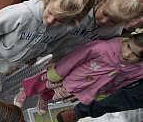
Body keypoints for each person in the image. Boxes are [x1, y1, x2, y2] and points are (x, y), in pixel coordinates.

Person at [15, 30, 143, 117]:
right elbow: (77, 56)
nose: (127, 54)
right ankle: (25, 91)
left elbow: (122, 83)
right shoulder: (103, 48)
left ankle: (45, 97)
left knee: (59, 93)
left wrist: (103, 93)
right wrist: (58, 71)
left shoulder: (138, 71)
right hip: (69, 74)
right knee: (44, 82)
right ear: (127, 39)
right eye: (128, 46)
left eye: (135, 55)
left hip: (84, 86)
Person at [47, 0, 143, 58]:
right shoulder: (80, 7)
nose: (104, 21)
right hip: (44, 45)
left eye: (114, 21)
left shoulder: (113, 32)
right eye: (105, 13)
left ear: (125, 23)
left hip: (65, 58)